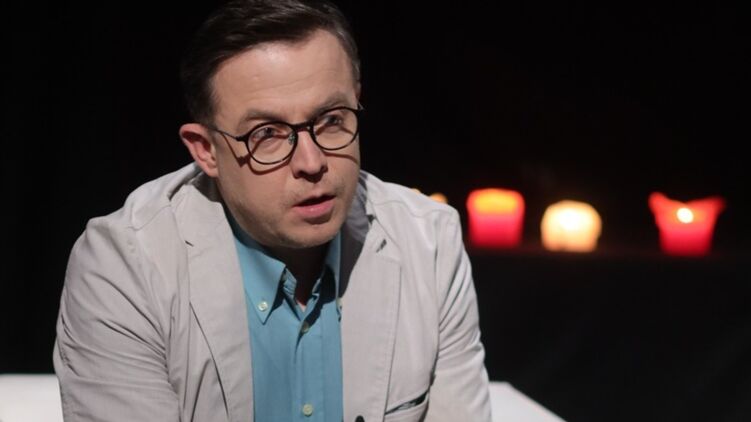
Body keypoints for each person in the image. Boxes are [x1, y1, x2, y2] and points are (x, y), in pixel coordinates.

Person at [53, 1, 491, 421]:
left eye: (331, 119)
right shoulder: (124, 266)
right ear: (205, 150)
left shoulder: (429, 242)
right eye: (267, 133)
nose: (311, 163)